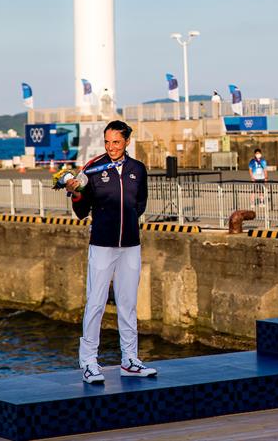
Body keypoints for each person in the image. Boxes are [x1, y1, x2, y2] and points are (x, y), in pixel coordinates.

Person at [66, 120, 156, 384]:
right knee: (95, 303)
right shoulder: (93, 169)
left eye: (116, 142)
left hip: (130, 246)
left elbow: (139, 205)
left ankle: (130, 359)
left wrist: (125, 222)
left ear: (127, 141)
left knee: (128, 303)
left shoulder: (137, 169)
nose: (111, 147)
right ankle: (89, 362)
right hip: (102, 245)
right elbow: (81, 211)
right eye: (107, 142)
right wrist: (75, 194)